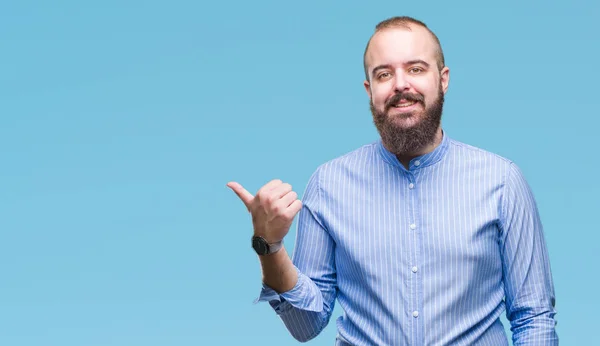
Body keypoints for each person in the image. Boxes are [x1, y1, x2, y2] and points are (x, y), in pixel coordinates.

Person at [227, 16, 558, 346]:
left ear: (443, 80)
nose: (400, 84)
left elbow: (534, 318)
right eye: (384, 74)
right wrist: (269, 246)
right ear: (369, 90)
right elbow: (306, 324)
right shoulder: (329, 184)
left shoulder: (502, 181)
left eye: (416, 69)